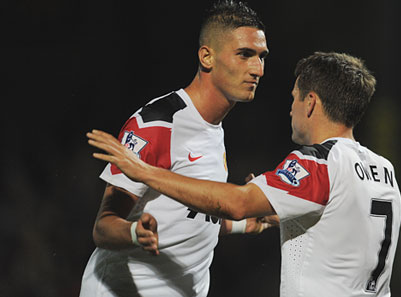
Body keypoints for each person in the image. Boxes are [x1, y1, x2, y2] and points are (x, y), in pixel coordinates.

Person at [88, 51, 401, 296]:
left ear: (311, 103)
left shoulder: (318, 163)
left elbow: (237, 202)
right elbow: (335, 223)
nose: (290, 107)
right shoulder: (384, 171)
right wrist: (257, 217)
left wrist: (145, 172)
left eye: (294, 97)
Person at [80, 1, 269, 296]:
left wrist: (245, 223)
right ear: (207, 57)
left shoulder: (213, 127)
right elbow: (103, 228)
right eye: (244, 54)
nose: (257, 69)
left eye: (261, 57)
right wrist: (134, 232)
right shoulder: (156, 124)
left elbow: (189, 220)